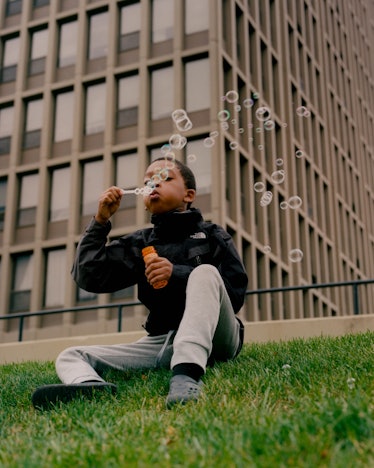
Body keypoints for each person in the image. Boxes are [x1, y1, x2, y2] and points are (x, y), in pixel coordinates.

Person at [32, 156, 248, 409]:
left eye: (164, 179)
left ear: (188, 195)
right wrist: (100, 222)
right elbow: (88, 274)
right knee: (71, 355)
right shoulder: (140, 243)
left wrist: (177, 273)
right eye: (148, 182)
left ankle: (186, 376)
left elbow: (234, 295)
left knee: (206, 273)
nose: (153, 185)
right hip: (164, 342)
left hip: (219, 339)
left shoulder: (212, 235)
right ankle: (90, 386)